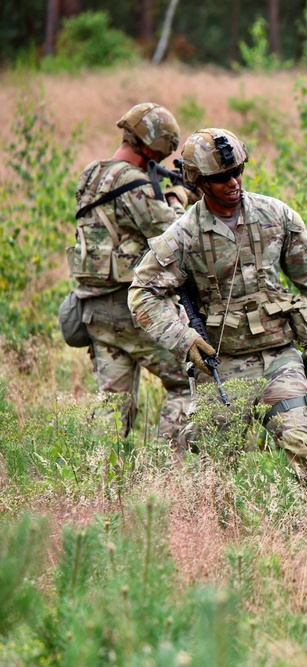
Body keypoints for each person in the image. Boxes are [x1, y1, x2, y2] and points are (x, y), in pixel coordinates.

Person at [128, 128, 307, 484]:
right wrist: (184, 339)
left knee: (303, 448)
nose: (233, 182)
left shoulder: (277, 216)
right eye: (221, 177)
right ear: (199, 181)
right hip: (221, 367)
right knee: (214, 470)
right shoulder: (183, 235)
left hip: (280, 358)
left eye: (237, 171)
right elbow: (142, 293)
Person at [68, 102, 193, 441]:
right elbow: (173, 235)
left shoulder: (91, 174)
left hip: (93, 310)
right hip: (135, 310)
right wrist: (178, 195)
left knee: (113, 405)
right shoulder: (134, 185)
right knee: (189, 383)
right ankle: (173, 471)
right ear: (154, 145)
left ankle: (98, 481)